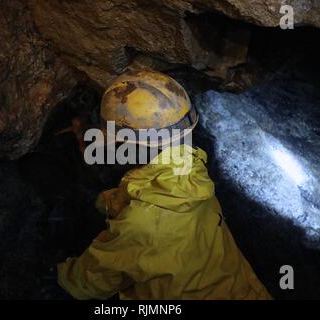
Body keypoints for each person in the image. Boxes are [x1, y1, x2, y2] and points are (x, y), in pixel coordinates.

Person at [56, 69, 272, 300]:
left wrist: (58, 273)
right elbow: (151, 201)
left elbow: (85, 283)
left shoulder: (138, 227)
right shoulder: (192, 166)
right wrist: (105, 202)